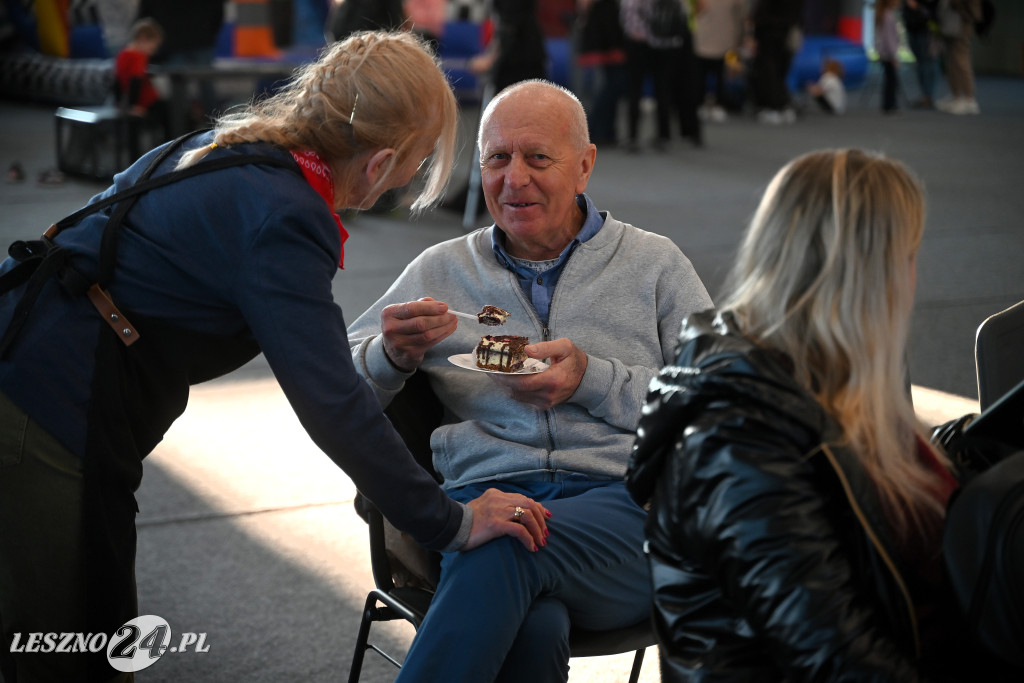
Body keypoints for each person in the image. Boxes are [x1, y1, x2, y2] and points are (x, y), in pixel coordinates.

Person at [0, 31, 548, 683]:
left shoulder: (244, 148)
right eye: (417, 162)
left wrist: (392, 353)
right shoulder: (285, 216)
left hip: (33, 364)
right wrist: (451, 523)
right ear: (379, 163)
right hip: (47, 407)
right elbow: (333, 404)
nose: (409, 182)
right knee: (74, 653)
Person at [347, 79, 713, 681]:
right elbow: (342, 390)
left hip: (627, 514)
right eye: (496, 158)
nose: (512, 179)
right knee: (532, 627)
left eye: (538, 157)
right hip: (483, 500)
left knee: (506, 545)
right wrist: (391, 355)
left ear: (585, 165)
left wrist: (592, 380)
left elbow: (717, 405)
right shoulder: (441, 268)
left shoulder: (656, 265)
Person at [626, 149, 997, 681]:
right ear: (869, 275)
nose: (914, 277)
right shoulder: (737, 439)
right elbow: (835, 660)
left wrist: (973, 442)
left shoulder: (820, 379)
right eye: (909, 256)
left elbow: (856, 488)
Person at [114, 18, 170, 156]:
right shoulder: (138, 56)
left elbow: (117, 82)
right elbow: (135, 81)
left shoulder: (122, 54)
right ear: (143, 38)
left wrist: (121, 104)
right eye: (153, 46)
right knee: (174, 116)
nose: (153, 51)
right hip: (144, 103)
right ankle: (167, 153)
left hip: (133, 103)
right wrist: (133, 107)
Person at [692, 0, 746, 123]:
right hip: (724, 41)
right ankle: (717, 104)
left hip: (705, 40)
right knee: (720, 75)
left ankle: (703, 104)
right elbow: (741, 15)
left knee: (702, 75)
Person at [935, 0, 982, 115]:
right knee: (951, 60)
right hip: (950, 21)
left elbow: (971, 8)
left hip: (962, 22)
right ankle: (956, 95)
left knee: (961, 60)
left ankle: (969, 99)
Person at [903, 0, 939, 109]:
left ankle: (928, 95)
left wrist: (917, 7)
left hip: (925, 31)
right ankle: (925, 95)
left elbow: (932, 11)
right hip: (912, 29)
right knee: (921, 64)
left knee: (928, 63)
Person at [875, 0, 901, 114]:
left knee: (889, 80)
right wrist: (893, 55)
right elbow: (889, 38)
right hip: (888, 54)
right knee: (891, 80)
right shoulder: (888, 16)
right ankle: (889, 105)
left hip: (884, 53)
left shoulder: (883, 14)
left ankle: (888, 104)